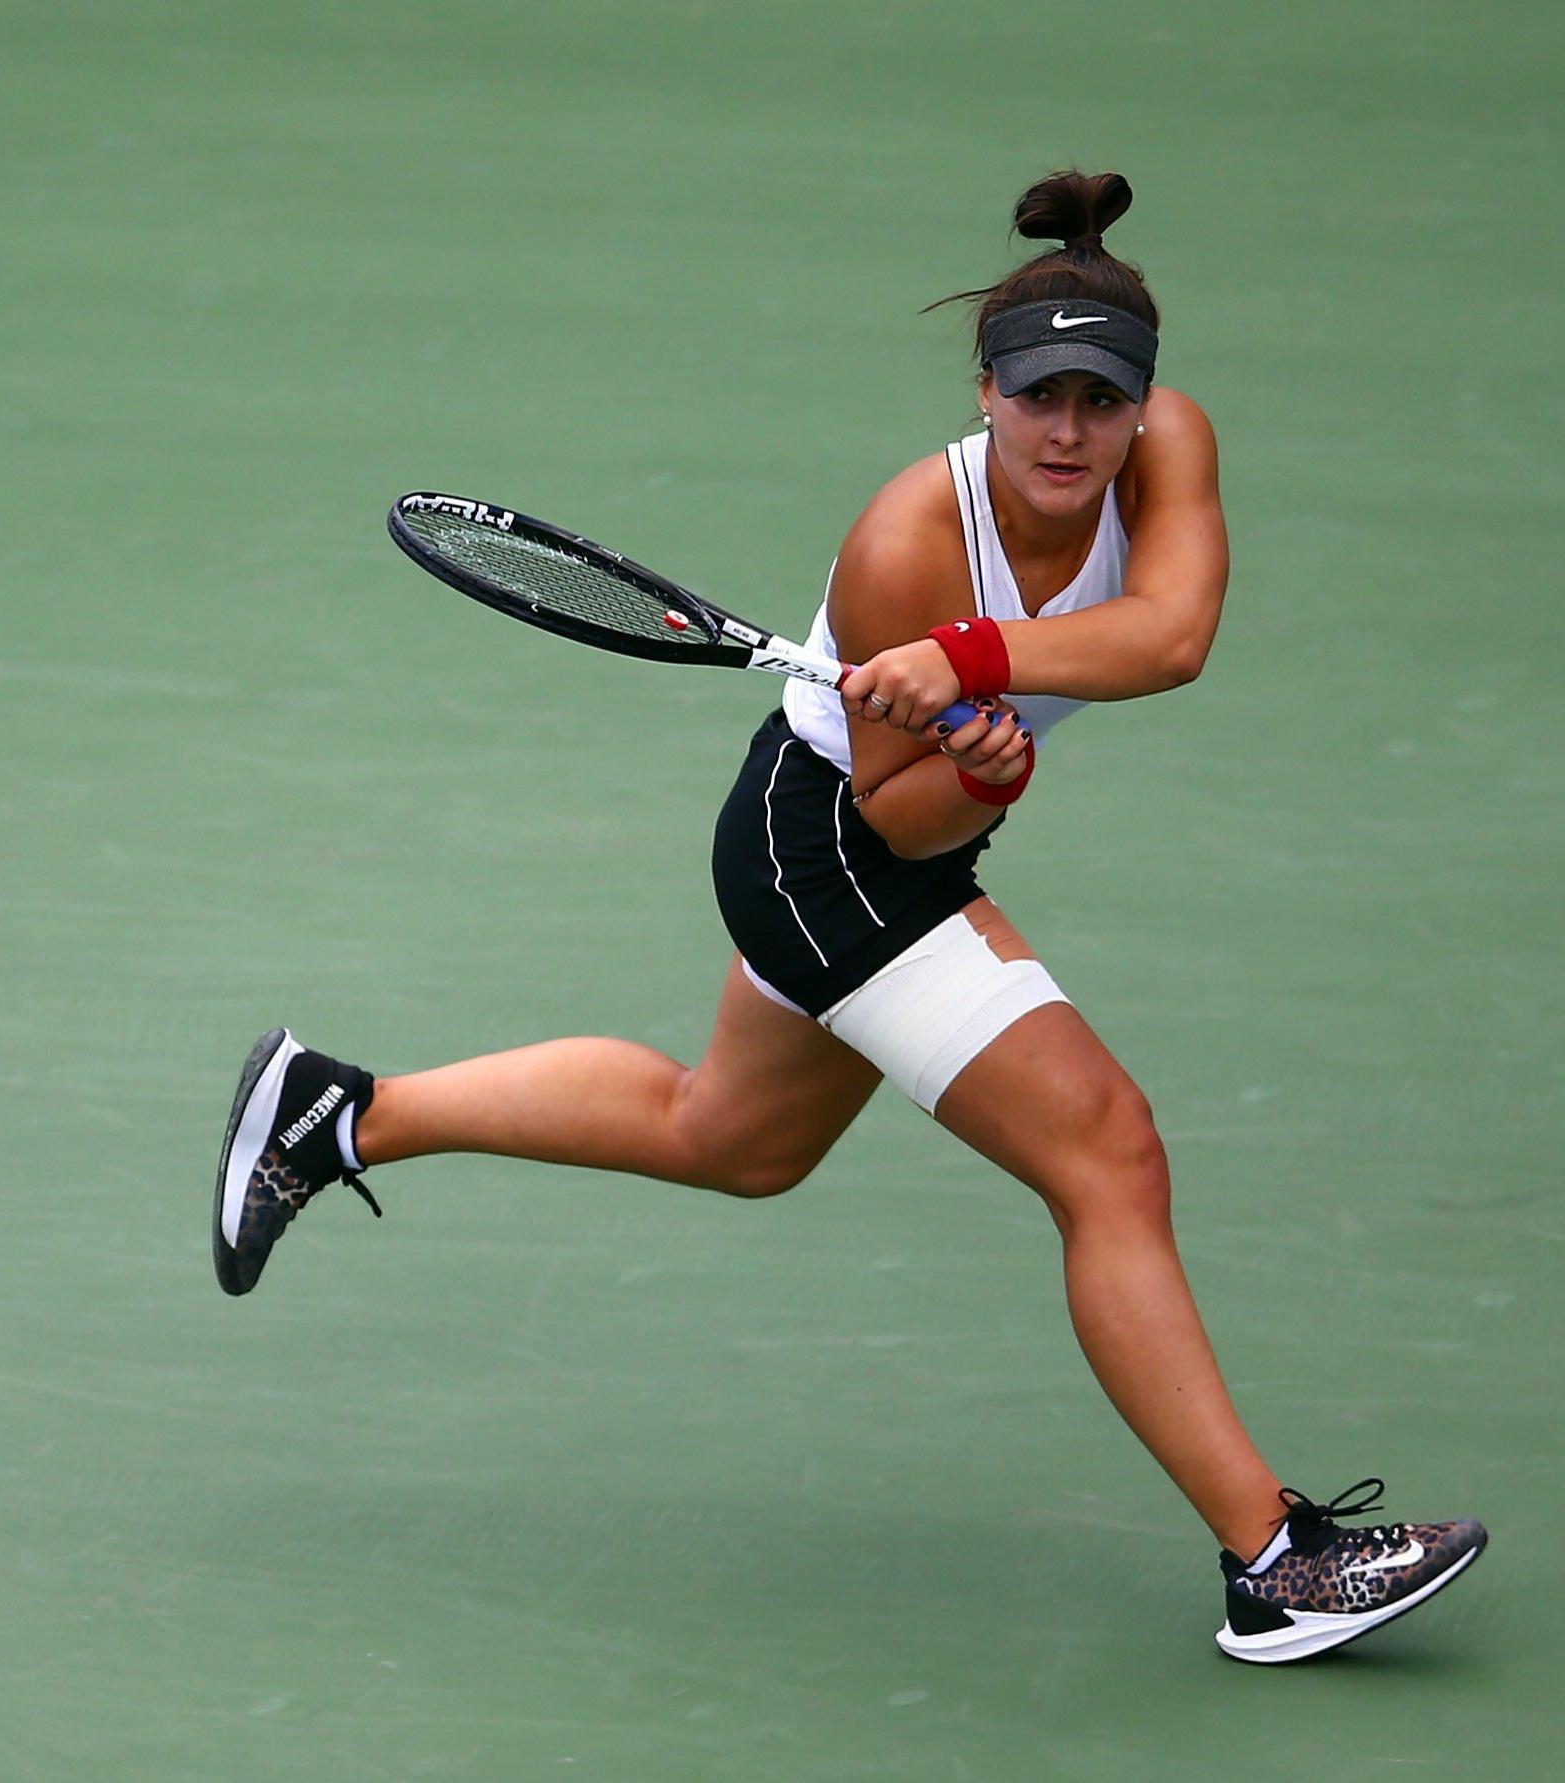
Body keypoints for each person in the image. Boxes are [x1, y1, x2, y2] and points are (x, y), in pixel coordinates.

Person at [209, 170, 1485, 1665]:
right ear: (985, 395)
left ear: (1146, 405)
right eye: (1038, 397)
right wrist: (981, 772)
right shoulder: (905, 540)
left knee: (729, 1139)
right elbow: (898, 823)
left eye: (1102, 400)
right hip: (828, 850)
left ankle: (339, 1113)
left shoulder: (1172, 452)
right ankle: (1274, 1561)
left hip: (879, 839)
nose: (1069, 430)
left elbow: (1173, 635)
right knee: (1107, 1152)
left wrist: (971, 667)